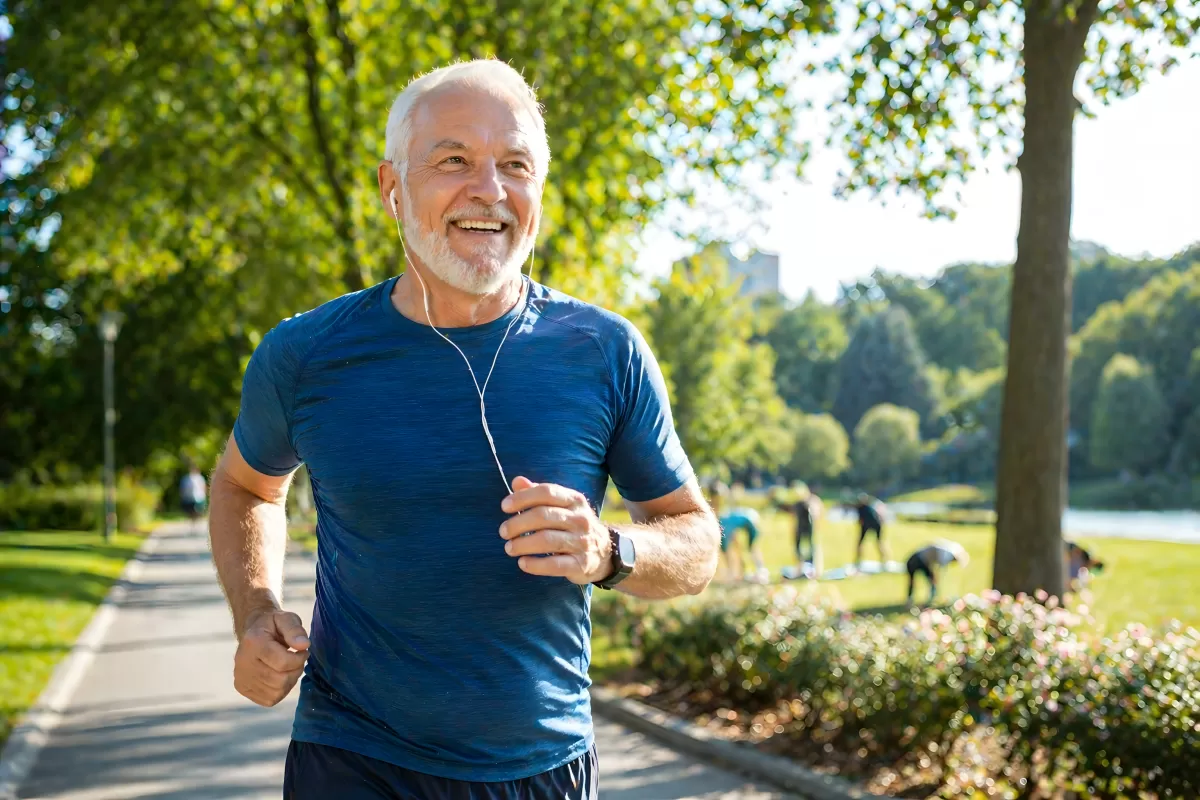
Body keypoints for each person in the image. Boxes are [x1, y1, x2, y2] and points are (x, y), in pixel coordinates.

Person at [208, 59, 720, 800]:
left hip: (540, 769)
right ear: (392, 188)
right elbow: (243, 485)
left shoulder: (605, 352)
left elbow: (696, 542)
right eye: (454, 161)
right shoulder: (305, 354)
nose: (490, 190)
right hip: (351, 758)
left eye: (515, 165)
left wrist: (611, 549)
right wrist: (254, 611)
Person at [710, 481, 769, 584]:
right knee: (749, 547)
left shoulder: (724, 518)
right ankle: (751, 571)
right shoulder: (726, 515)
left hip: (750, 520)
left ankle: (736, 573)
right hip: (752, 517)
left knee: (748, 548)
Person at [773, 483, 823, 580]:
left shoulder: (811, 501)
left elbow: (816, 512)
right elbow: (794, 516)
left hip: (808, 526)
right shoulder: (797, 504)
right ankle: (801, 565)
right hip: (800, 526)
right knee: (799, 546)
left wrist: (817, 522)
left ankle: (811, 566)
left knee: (811, 545)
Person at [905, 539, 969, 606]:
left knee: (931, 580)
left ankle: (931, 599)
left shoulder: (948, 551)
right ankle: (912, 600)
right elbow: (940, 569)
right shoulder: (947, 555)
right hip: (916, 560)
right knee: (913, 581)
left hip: (923, 561)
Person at [853, 493, 890, 568]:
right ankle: (858, 560)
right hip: (869, 525)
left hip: (874, 525)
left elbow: (861, 521)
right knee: (864, 543)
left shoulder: (863, 508)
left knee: (878, 542)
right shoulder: (867, 507)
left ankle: (885, 560)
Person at [179, 461, 207, 526]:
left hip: (199, 497)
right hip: (189, 498)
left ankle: (196, 522)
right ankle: (193, 522)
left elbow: (203, 487)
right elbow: (183, 489)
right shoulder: (186, 478)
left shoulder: (200, 478)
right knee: (191, 512)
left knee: (198, 511)